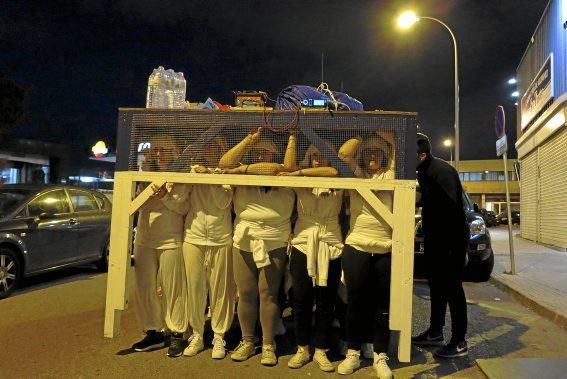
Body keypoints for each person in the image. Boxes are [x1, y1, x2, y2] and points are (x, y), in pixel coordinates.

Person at [219, 128, 296, 366]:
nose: (262, 156)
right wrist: (250, 139)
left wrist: (292, 138)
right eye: (257, 152)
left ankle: (268, 344)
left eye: (267, 152)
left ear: (275, 156)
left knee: (269, 293)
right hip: (244, 238)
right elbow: (225, 163)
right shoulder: (242, 174)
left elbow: (290, 166)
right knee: (246, 293)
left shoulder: (286, 176)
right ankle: (247, 340)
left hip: (274, 239)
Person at [278, 142, 343, 373]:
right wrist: (293, 138)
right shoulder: (300, 180)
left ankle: (322, 350)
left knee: (326, 301)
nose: (318, 159)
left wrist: (302, 171)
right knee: (301, 300)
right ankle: (302, 348)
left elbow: (334, 170)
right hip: (304, 241)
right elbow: (286, 167)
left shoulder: (338, 176)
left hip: (331, 242)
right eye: (313, 155)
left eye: (323, 155)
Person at [335, 133, 395, 378]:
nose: (373, 156)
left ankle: (380, 355)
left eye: (378, 153)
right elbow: (343, 154)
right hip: (357, 245)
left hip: (386, 247)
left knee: (382, 305)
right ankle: (353, 353)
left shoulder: (391, 174)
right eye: (368, 152)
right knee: (355, 302)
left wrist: (382, 134)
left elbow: (398, 145)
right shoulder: (356, 174)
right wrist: (362, 133)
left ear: (385, 157)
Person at [131, 135, 191, 358]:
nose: (159, 154)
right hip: (145, 238)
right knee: (144, 287)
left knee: (173, 287)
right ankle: (153, 331)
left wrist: (165, 196)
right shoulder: (143, 175)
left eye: (164, 150)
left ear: (173, 152)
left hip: (171, 238)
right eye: (155, 151)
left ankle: (176, 332)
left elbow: (184, 207)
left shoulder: (181, 176)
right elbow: (137, 203)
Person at [412, 132, 470, 358]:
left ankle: (459, 341)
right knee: (436, 285)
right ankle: (435, 332)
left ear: (422, 154)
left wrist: (453, 248)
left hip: (450, 240)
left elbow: (450, 207)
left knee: (453, 289)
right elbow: (431, 199)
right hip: (437, 239)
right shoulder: (424, 171)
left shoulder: (441, 170)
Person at [182, 137, 237, 360]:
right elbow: (180, 198)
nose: (209, 149)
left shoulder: (227, 173)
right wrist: (193, 174)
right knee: (194, 289)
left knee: (221, 291)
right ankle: (196, 334)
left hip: (221, 237)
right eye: (206, 145)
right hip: (193, 236)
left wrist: (211, 176)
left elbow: (224, 202)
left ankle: (218, 335)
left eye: (214, 145)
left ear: (222, 150)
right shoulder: (193, 170)